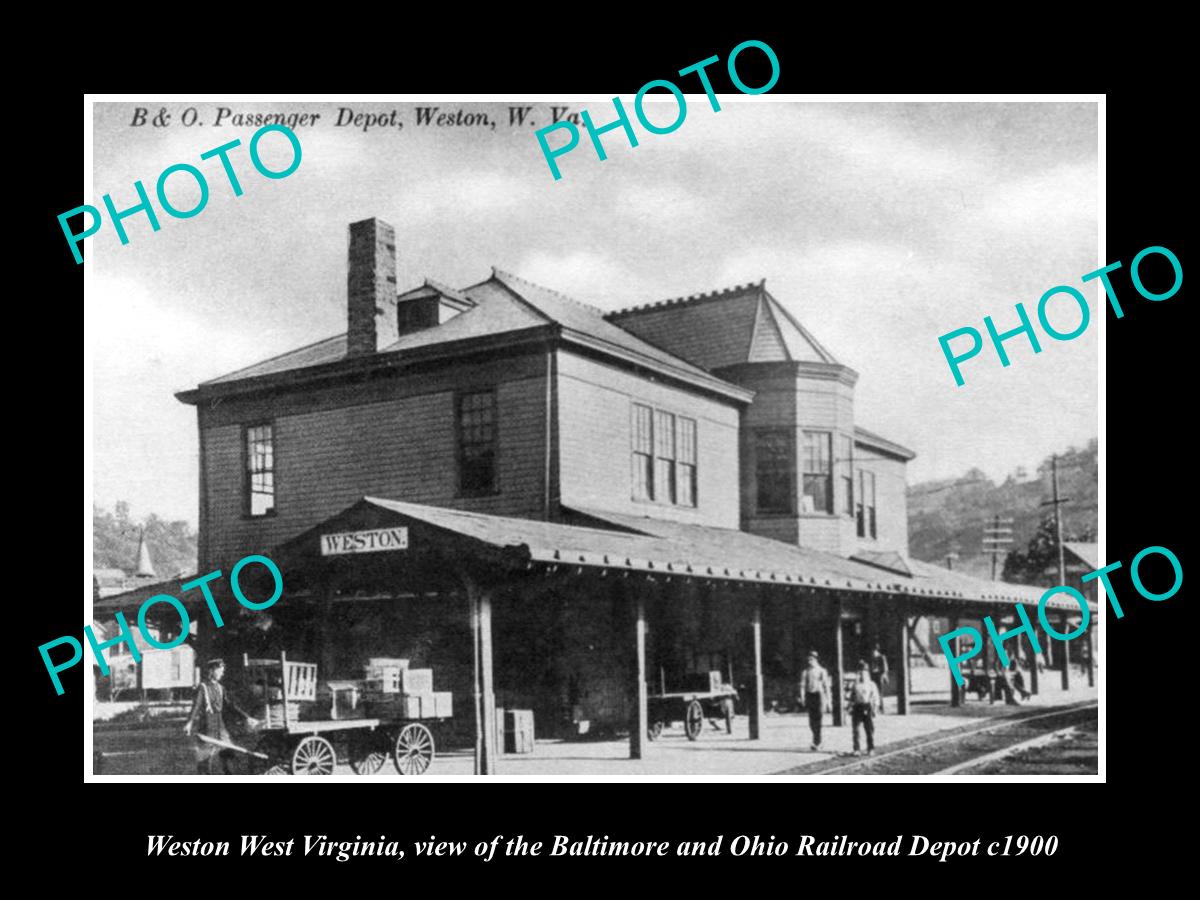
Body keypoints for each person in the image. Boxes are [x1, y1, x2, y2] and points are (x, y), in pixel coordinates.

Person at [184, 659, 258, 775]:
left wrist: (246, 717)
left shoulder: (220, 688)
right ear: (212, 670)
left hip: (220, 725)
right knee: (205, 759)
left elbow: (230, 705)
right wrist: (189, 723)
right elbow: (196, 706)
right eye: (220, 671)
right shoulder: (202, 687)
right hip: (207, 725)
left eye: (223, 671)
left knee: (228, 754)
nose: (222, 674)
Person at [797, 651, 831, 751]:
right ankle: (816, 740)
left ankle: (817, 741)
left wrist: (828, 700)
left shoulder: (822, 671)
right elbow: (802, 685)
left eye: (811, 659)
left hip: (819, 694)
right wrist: (802, 697)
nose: (810, 661)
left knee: (819, 718)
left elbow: (826, 686)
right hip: (810, 695)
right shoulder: (805, 672)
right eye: (808, 659)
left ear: (816, 659)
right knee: (811, 721)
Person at [850, 661, 880, 756]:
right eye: (860, 672)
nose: (862, 675)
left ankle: (870, 748)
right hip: (857, 707)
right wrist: (850, 706)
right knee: (856, 729)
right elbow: (852, 697)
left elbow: (876, 697)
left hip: (867, 706)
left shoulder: (871, 684)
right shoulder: (855, 685)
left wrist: (875, 709)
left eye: (864, 672)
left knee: (869, 729)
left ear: (867, 673)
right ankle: (856, 748)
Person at [869, 643, 889, 714]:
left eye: (874, 651)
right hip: (873, 675)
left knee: (879, 692)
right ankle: (875, 707)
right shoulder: (872, 657)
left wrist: (882, 674)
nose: (873, 653)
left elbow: (885, 668)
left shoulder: (881, 657)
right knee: (873, 692)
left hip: (879, 675)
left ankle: (881, 708)